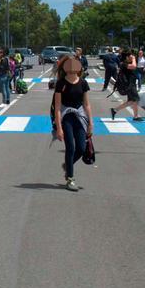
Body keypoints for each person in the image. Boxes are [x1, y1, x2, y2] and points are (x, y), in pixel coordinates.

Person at [52, 56, 93, 192]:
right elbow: (57, 107)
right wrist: (59, 128)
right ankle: (70, 178)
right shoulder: (61, 84)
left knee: (81, 148)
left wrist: (90, 123)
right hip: (66, 117)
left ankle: (67, 165)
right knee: (70, 147)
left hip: (80, 117)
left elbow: (87, 104)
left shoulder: (83, 83)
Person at [109, 50, 144, 121]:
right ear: (127, 57)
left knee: (132, 100)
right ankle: (135, 116)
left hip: (131, 84)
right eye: (131, 55)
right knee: (135, 99)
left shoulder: (127, 62)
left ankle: (115, 110)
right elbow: (134, 66)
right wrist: (134, 59)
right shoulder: (123, 64)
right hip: (129, 85)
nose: (132, 56)